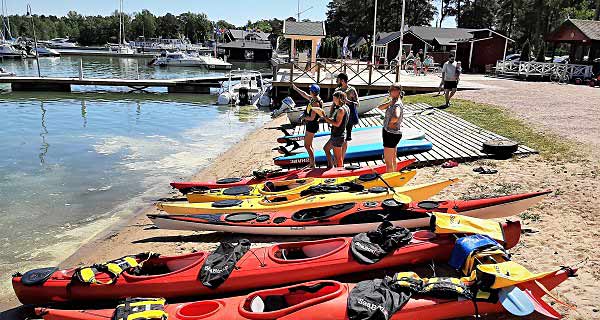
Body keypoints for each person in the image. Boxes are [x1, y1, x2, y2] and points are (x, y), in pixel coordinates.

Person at [292, 83, 323, 168]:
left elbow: (312, 117)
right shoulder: (313, 99)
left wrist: (303, 117)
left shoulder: (315, 103)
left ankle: (313, 165)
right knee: (309, 145)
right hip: (311, 125)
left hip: (312, 125)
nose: (309, 91)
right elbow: (304, 94)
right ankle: (312, 163)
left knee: (307, 145)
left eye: (310, 90)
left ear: (312, 92)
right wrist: (296, 88)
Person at [316, 91, 349, 168]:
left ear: (339, 99)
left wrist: (325, 118)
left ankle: (340, 174)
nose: (333, 100)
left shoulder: (341, 110)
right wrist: (327, 118)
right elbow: (337, 120)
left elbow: (337, 124)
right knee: (326, 148)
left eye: (334, 99)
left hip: (338, 136)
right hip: (337, 135)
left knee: (338, 160)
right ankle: (331, 166)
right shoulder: (345, 107)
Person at [377, 82, 404, 173]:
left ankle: (389, 179)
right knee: (393, 158)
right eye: (390, 90)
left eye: (392, 90)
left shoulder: (397, 105)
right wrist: (389, 103)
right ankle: (394, 174)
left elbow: (396, 116)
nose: (390, 92)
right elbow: (380, 108)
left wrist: (390, 124)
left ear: (398, 91)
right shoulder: (394, 102)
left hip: (390, 133)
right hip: (393, 133)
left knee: (388, 161)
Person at [334, 73, 359, 160]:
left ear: (342, 80)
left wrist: (347, 101)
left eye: (338, 79)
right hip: (338, 116)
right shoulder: (337, 90)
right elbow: (334, 103)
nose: (337, 81)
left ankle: (341, 158)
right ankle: (339, 158)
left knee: (345, 138)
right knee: (339, 136)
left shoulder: (351, 90)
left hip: (348, 116)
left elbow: (357, 103)